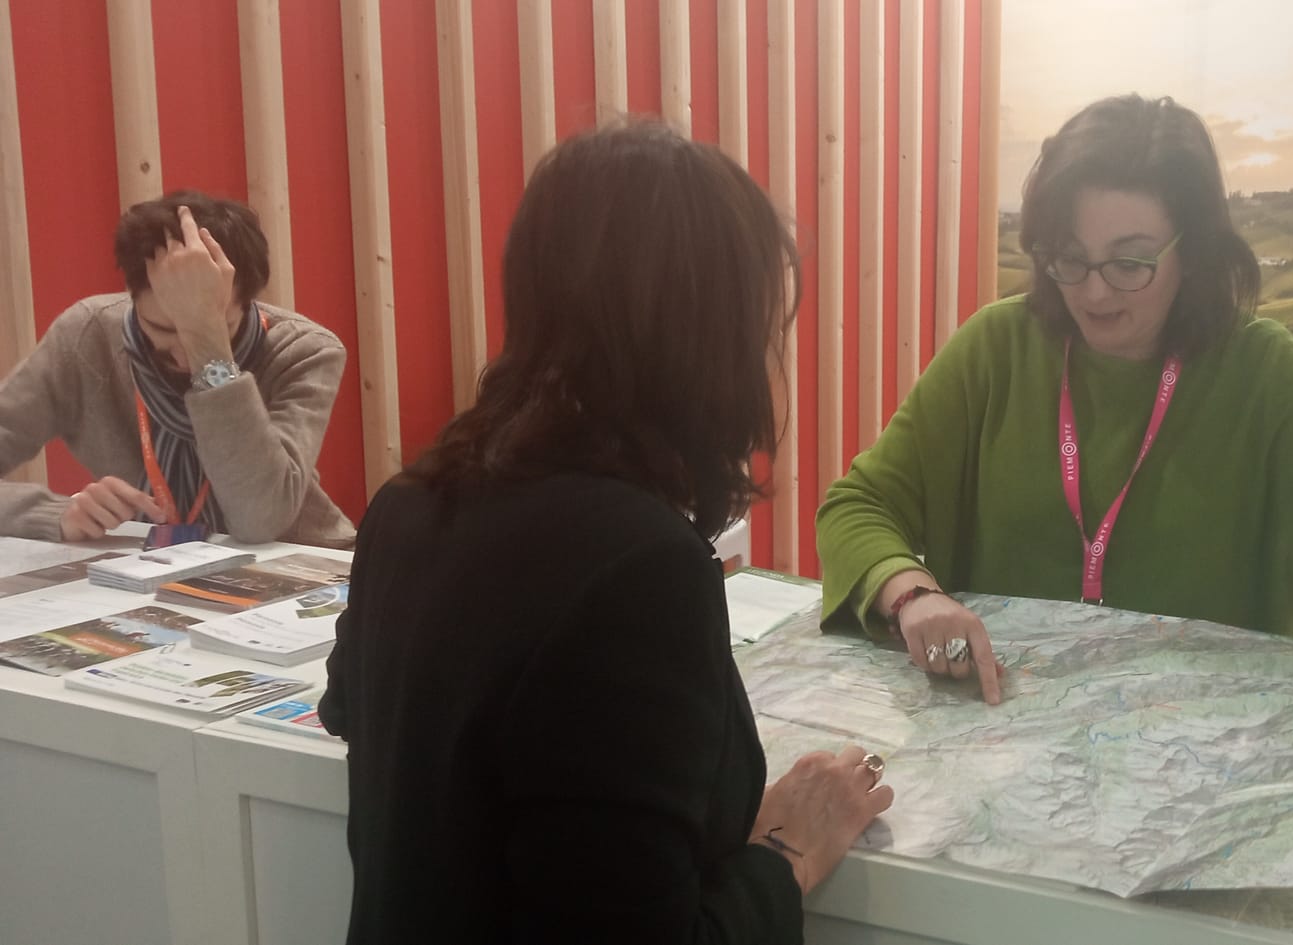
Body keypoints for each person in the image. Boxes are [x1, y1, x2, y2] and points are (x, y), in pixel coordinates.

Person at [319, 123, 892, 944]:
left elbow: (352, 705)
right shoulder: (638, 567)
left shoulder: (409, 502)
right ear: (708, 341)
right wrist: (787, 853)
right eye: (764, 330)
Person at [816, 95, 1293, 755]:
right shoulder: (996, 349)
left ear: (1195, 253)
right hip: (998, 743)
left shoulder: (1264, 375)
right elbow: (860, 505)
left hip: (1203, 761)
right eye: (1069, 258)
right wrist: (911, 593)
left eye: (1130, 262)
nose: (1094, 290)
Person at [0, 191, 354, 547]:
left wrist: (211, 352)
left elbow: (259, 519)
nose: (186, 358)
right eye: (164, 329)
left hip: (301, 559)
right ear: (131, 297)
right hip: (146, 563)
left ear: (248, 303)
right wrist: (53, 513)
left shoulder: (303, 350)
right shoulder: (87, 337)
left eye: (220, 326)